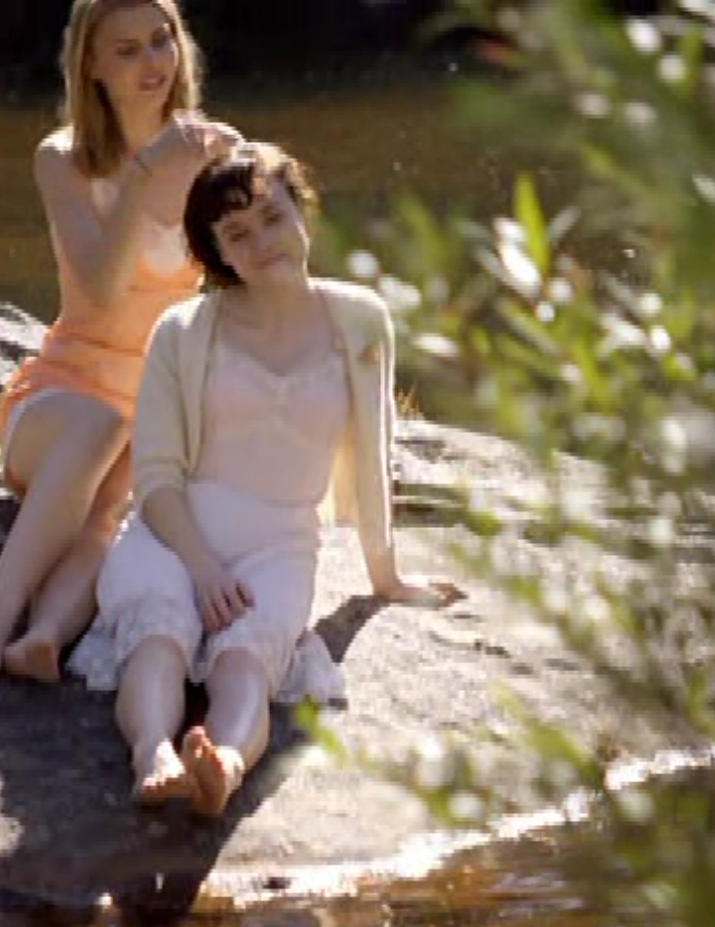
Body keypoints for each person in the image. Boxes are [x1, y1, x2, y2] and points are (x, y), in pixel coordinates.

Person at [81, 142, 458, 817]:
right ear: (218, 253)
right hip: (175, 535)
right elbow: (156, 476)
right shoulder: (181, 330)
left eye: (273, 219)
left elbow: (374, 458)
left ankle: (223, 767)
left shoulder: (361, 321)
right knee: (158, 639)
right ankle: (154, 757)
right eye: (237, 234)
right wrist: (202, 568)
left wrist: (388, 577)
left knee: (248, 662)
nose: (262, 243)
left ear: (302, 214)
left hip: (280, 545)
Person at [0, 0, 240, 684]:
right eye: (127, 50)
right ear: (92, 66)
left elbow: (251, 280)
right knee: (100, 427)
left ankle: (43, 637)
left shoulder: (213, 153)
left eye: (162, 40)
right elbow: (104, 290)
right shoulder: (63, 159)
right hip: (57, 404)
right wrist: (144, 175)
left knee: (116, 509)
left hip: (152, 408)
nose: (153, 62)